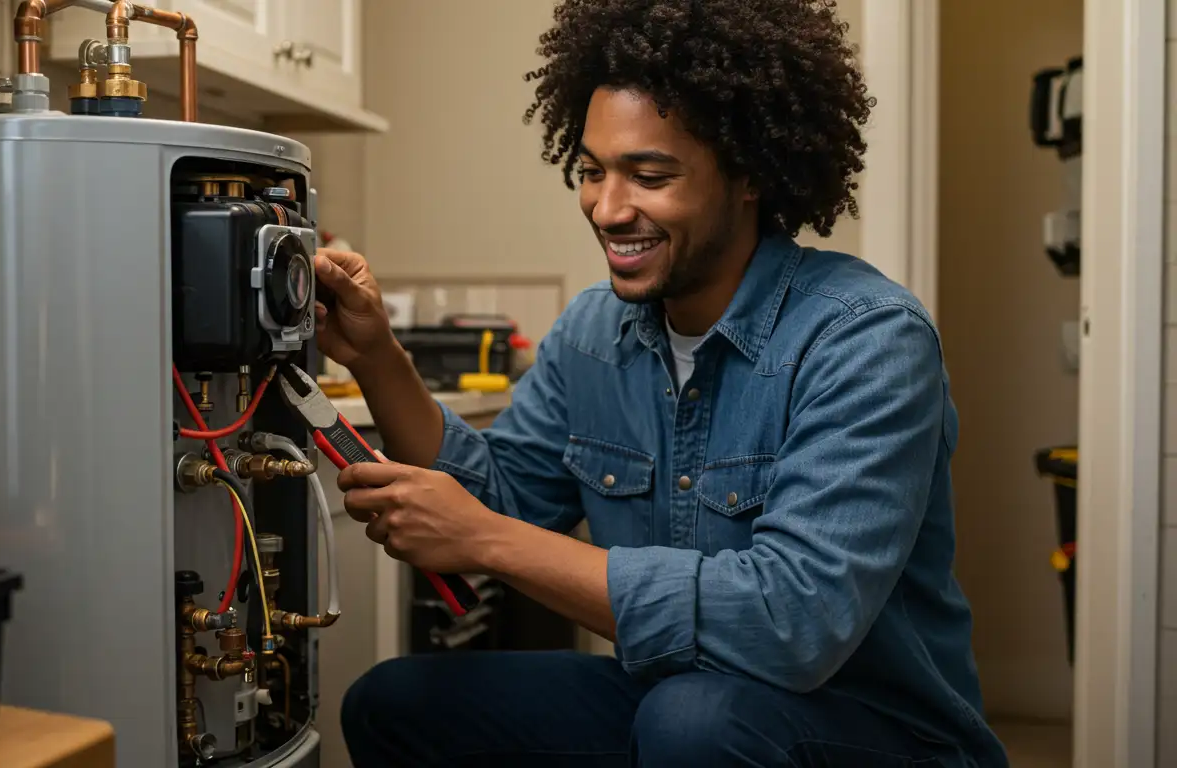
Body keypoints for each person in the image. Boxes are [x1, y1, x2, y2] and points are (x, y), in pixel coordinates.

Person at [313, 0, 1007, 765]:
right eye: (590, 171)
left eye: (649, 175)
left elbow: (793, 624)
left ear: (748, 173)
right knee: (397, 704)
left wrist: (485, 538)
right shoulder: (592, 336)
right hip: (681, 703)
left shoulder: (865, 338)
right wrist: (376, 356)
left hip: (873, 729)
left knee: (692, 721)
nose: (608, 209)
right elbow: (496, 501)